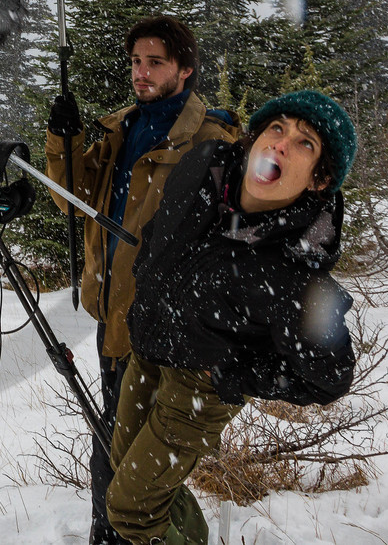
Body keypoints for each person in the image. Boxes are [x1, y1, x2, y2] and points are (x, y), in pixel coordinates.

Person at [110, 89, 358, 545]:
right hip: (149, 347)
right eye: (276, 128)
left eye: (305, 143)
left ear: (319, 180)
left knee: (131, 510)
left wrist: (235, 372)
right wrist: (145, 287)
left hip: (198, 386)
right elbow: (158, 229)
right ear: (255, 138)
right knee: (127, 476)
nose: (280, 144)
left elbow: (332, 376)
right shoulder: (205, 165)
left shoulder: (298, 273)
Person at [44, 15, 239, 545]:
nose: (142, 72)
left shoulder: (212, 136)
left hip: (166, 326)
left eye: (155, 62)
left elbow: (228, 237)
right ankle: (117, 535)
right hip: (115, 317)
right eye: (136, 61)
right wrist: (65, 140)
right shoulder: (118, 129)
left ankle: (129, 537)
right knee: (118, 446)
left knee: (145, 460)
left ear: (185, 68)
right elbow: (69, 199)